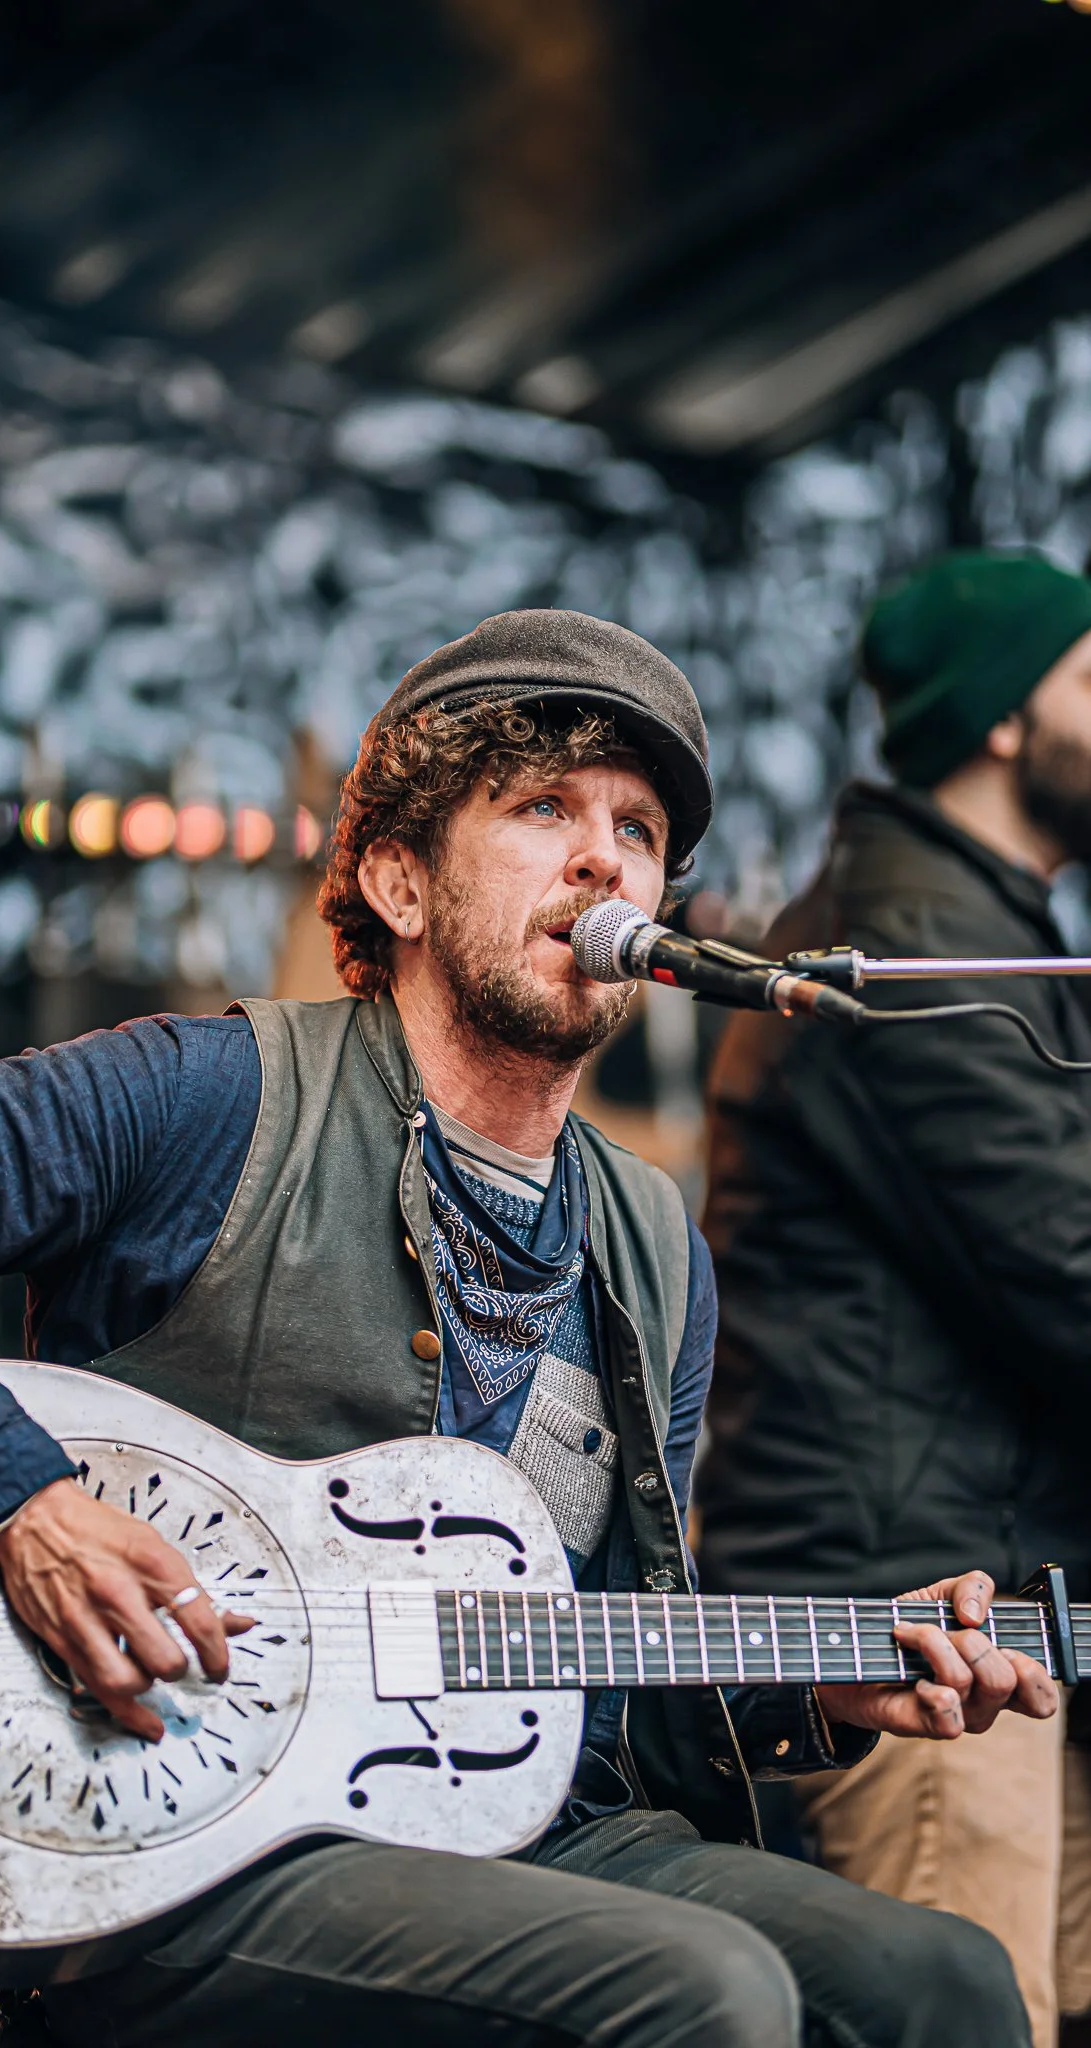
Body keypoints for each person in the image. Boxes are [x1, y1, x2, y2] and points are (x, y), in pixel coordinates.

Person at [0, 609, 1054, 2048]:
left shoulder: (653, 1244)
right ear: (399, 882)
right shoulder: (207, 1095)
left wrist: (819, 1691)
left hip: (527, 1841)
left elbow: (599, 1692)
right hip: (191, 1831)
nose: (605, 859)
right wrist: (19, 1504)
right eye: (542, 809)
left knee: (942, 1981)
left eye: (639, 829)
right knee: (702, 1991)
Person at [699, 553, 1091, 2048]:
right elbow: (1067, 1266)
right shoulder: (908, 945)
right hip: (917, 1624)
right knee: (971, 2012)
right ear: (1002, 719)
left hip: (1011, 1608)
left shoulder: (981, 923)